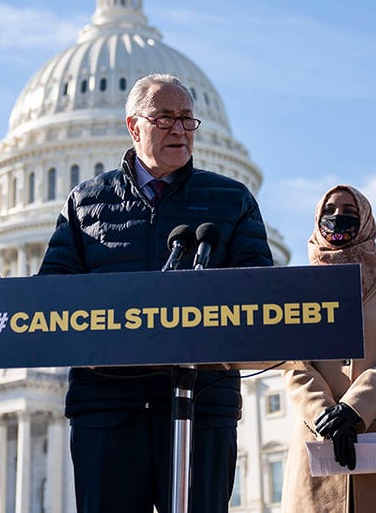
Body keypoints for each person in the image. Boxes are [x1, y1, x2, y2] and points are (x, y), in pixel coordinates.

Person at [39, 73, 274, 513]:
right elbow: (52, 295)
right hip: (108, 408)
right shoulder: (85, 202)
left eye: (187, 118)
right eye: (165, 118)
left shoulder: (231, 200)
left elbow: (256, 296)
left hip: (201, 404)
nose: (180, 129)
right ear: (134, 126)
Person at [283, 185, 376, 512]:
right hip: (318, 437)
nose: (338, 218)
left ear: (365, 220)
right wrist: (326, 414)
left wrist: (354, 408)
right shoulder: (299, 289)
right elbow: (295, 366)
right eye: (330, 212)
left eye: (349, 212)